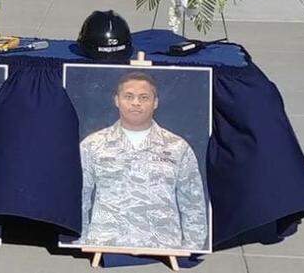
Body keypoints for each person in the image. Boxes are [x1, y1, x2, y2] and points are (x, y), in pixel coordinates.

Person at [79, 71, 208, 250]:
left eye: (144, 97)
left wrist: (192, 247)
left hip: (165, 248)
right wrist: (81, 241)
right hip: (105, 245)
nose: (136, 103)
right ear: (116, 100)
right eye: (129, 96)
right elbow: (80, 198)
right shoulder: (92, 145)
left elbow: (193, 201)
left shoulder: (177, 147)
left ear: (155, 103)